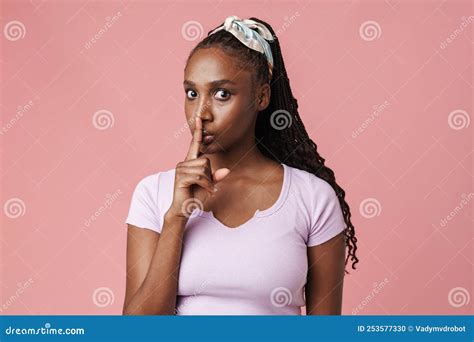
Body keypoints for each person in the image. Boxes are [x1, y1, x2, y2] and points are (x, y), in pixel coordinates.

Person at [122, 15, 359, 316]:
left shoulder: (313, 197)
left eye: (222, 94)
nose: (201, 114)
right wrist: (176, 217)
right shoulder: (153, 193)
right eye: (192, 93)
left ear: (261, 96)